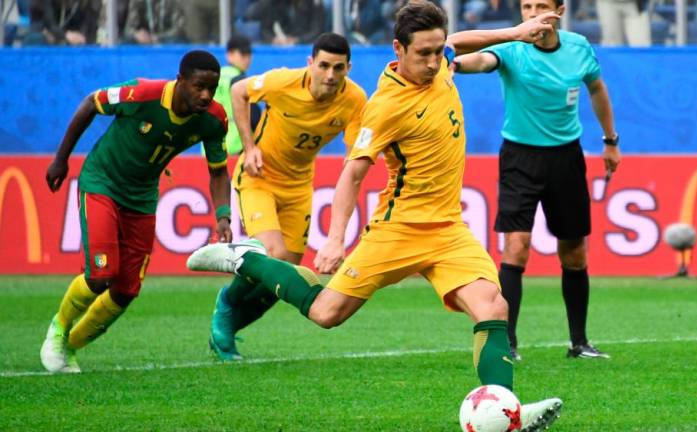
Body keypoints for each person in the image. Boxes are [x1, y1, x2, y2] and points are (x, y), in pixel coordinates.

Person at [189, 2, 563, 429]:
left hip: (447, 230)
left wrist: (516, 32)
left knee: (493, 306)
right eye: (422, 53)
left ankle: (508, 412)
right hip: (398, 229)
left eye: (437, 51)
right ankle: (245, 259)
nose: (433, 61)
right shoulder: (385, 105)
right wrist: (334, 240)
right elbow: (352, 173)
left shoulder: (439, 63)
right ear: (398, 49)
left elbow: (459, 42)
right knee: (327, 313)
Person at [40, 50, 233, 374]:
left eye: (211, 89)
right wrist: (61, 159)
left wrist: (223, 216)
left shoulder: (214, 120)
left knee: (126, 290)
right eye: (199, 86)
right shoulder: (142, 94)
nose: (205, 95)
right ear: (180, 80)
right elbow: (91, 103)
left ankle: (70, 347)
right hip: (102, 182)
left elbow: (218, 172)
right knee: (101, 274)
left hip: (141, 198)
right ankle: (58, 329)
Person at [452, 0, 620, 360]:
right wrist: (451, 64)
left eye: (541, 5)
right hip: (519, 158)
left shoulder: (577, 47)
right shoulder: (512, 49)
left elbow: (597, 88)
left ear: (559, 10)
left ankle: (579, 342)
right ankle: (507, 344)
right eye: (526, 6)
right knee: (517, 248)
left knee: (574, 253)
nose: (532, 13)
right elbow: (471, 57)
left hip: (566, 157)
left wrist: (610, 141)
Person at [207, 32, 367, 361]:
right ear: (310, 63)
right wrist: (249, 148)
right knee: (274, 253)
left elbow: (353, 158)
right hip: (259, 179)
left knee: (286, 276)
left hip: (298, 187)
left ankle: (229, 326)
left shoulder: (354, 100)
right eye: (324, 65)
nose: (330, 75)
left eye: (338, 68)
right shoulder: (283, 82)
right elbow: (239, 91)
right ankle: (225, 305)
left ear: (348, 68)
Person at [213, 35, 254, 155]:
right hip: (237, 146)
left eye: (249, 54)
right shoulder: (240, 80)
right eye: (243, 54)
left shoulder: (213, 76)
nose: (247, 59)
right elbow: (254, 115)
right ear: (229, 54)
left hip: (211, 147)